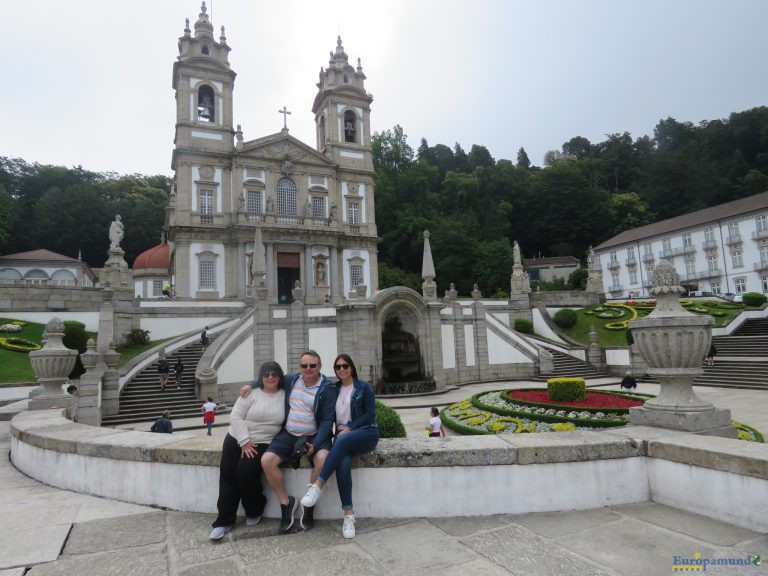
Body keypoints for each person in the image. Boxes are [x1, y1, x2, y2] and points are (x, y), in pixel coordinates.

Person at [240, 350, 337, 534]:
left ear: (319, 366)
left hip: (315, 435)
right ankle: (286, 502)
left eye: (312, 365)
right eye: (304, 365)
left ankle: (309, 503)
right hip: (289, 434)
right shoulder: (292, 379)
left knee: (323, 458)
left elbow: (327, 421)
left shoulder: (328, 388)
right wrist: (251, 384)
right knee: (267, 461)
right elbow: (271, 378)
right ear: (299, 367)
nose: (308, 369)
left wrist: (315, 444)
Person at [300, 354, 378, 539]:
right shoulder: (332, 389)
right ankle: (348, 515)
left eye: (345, 366)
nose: (341, 369)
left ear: (351, 367)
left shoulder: (363, 387)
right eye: (338, 367)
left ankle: (317, 486)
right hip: (343, 438)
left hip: (366, 432)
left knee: (341, 440)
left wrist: (350, 427)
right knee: (343, 464)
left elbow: (370, 414)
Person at [209, 362, 286, 541]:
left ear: (280, 376)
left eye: (274, 374)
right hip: (236, 437)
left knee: (246, 472)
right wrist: (244, 441)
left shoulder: (285, 395)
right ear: (261, 377)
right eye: (266, 374)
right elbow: (235, 415)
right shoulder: (250, 392)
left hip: (263, 442)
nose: (271, 377)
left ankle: (254, 508)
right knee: (228, 475)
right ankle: (223, 521)